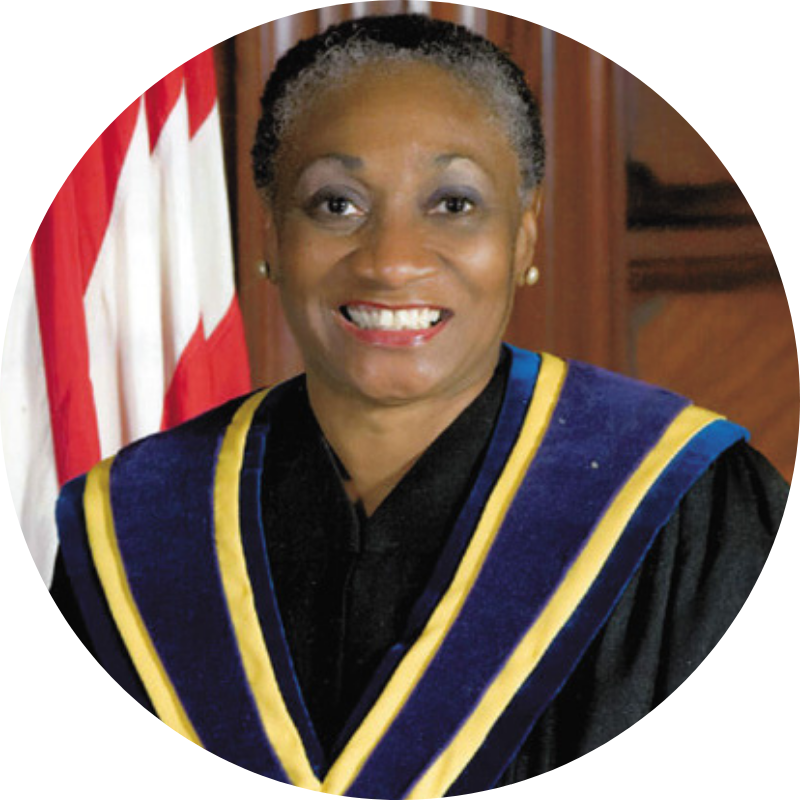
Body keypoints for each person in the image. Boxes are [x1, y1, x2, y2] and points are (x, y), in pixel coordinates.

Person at [51, 13, 787, 798]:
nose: (392, 261)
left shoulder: (694, 512)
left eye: (454, 204)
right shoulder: (135, 530)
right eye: (336, 204)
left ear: (524, 238)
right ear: (271, 237)